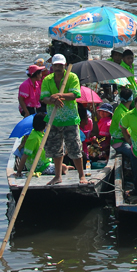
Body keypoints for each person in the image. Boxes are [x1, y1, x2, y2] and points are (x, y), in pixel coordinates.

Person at [40, 53, 87, 186]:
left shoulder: (71, 77)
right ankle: (57, 176)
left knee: (75, 148)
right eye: (56, 65)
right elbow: (44, 98)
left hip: (70, 119)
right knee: (56, 149)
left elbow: (75, 94)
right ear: (52, 66)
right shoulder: (47, 79)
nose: (58, 68)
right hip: (53, 119)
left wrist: (60, 95)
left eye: (60, 65)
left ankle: (81, 175)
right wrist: (52, 100)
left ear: (65, 65)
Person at [109, 88, 133, 158]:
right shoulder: (121, 113)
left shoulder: (123, 109)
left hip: (124, 140)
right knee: (134, 155)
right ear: (131, 99)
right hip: (119, 142)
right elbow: (124, 131)